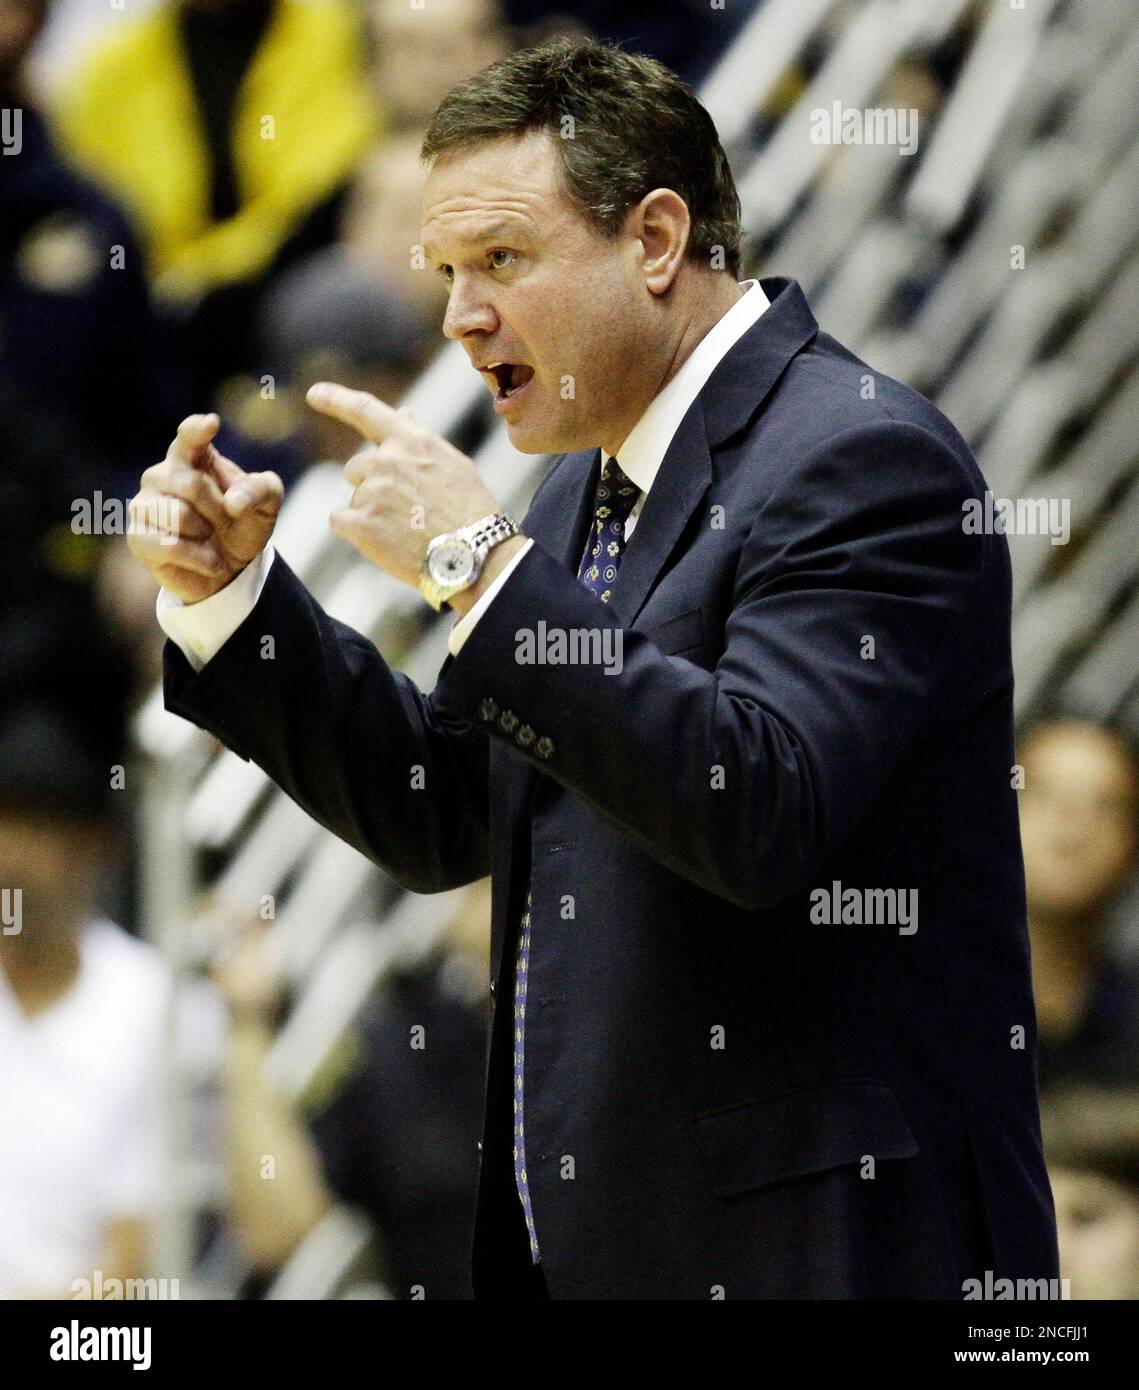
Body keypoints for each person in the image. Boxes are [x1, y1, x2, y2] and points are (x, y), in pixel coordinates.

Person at [127, 38, 1059, 1299]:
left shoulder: (863, 456)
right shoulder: (581, 486)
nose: (457, 314)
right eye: (447, 271)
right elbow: (448, 807)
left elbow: (760, 805)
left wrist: (476, 562)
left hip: (830, 1254)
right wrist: (236, 603)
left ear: (657, 240)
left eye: (500, 260)